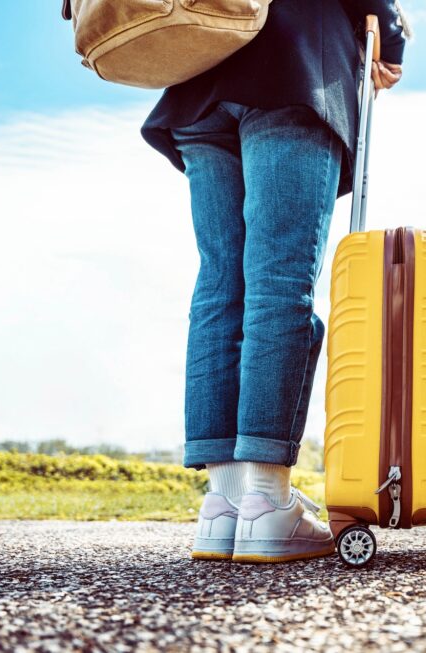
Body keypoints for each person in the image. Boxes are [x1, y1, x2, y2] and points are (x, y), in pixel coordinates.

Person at [141, 0, 408, 563]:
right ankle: (265, 498)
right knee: (279, 285)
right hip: (294, 63)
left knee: (220, 288)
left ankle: (222, 505)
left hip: (198, 74)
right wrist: (392, 32)